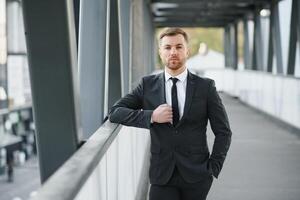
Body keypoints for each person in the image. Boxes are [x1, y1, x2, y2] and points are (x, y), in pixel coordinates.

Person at [109, 27, 232, 200]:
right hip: (162, 175)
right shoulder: (147, 85)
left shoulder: (206, 87)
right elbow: (115, 112)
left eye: (179, 47)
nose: (173, 52)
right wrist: (151, 116)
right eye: (167, 47)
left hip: (197, 176)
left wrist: (213, 168)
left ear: (187, 51)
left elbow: (223, 132)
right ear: (160, 52)